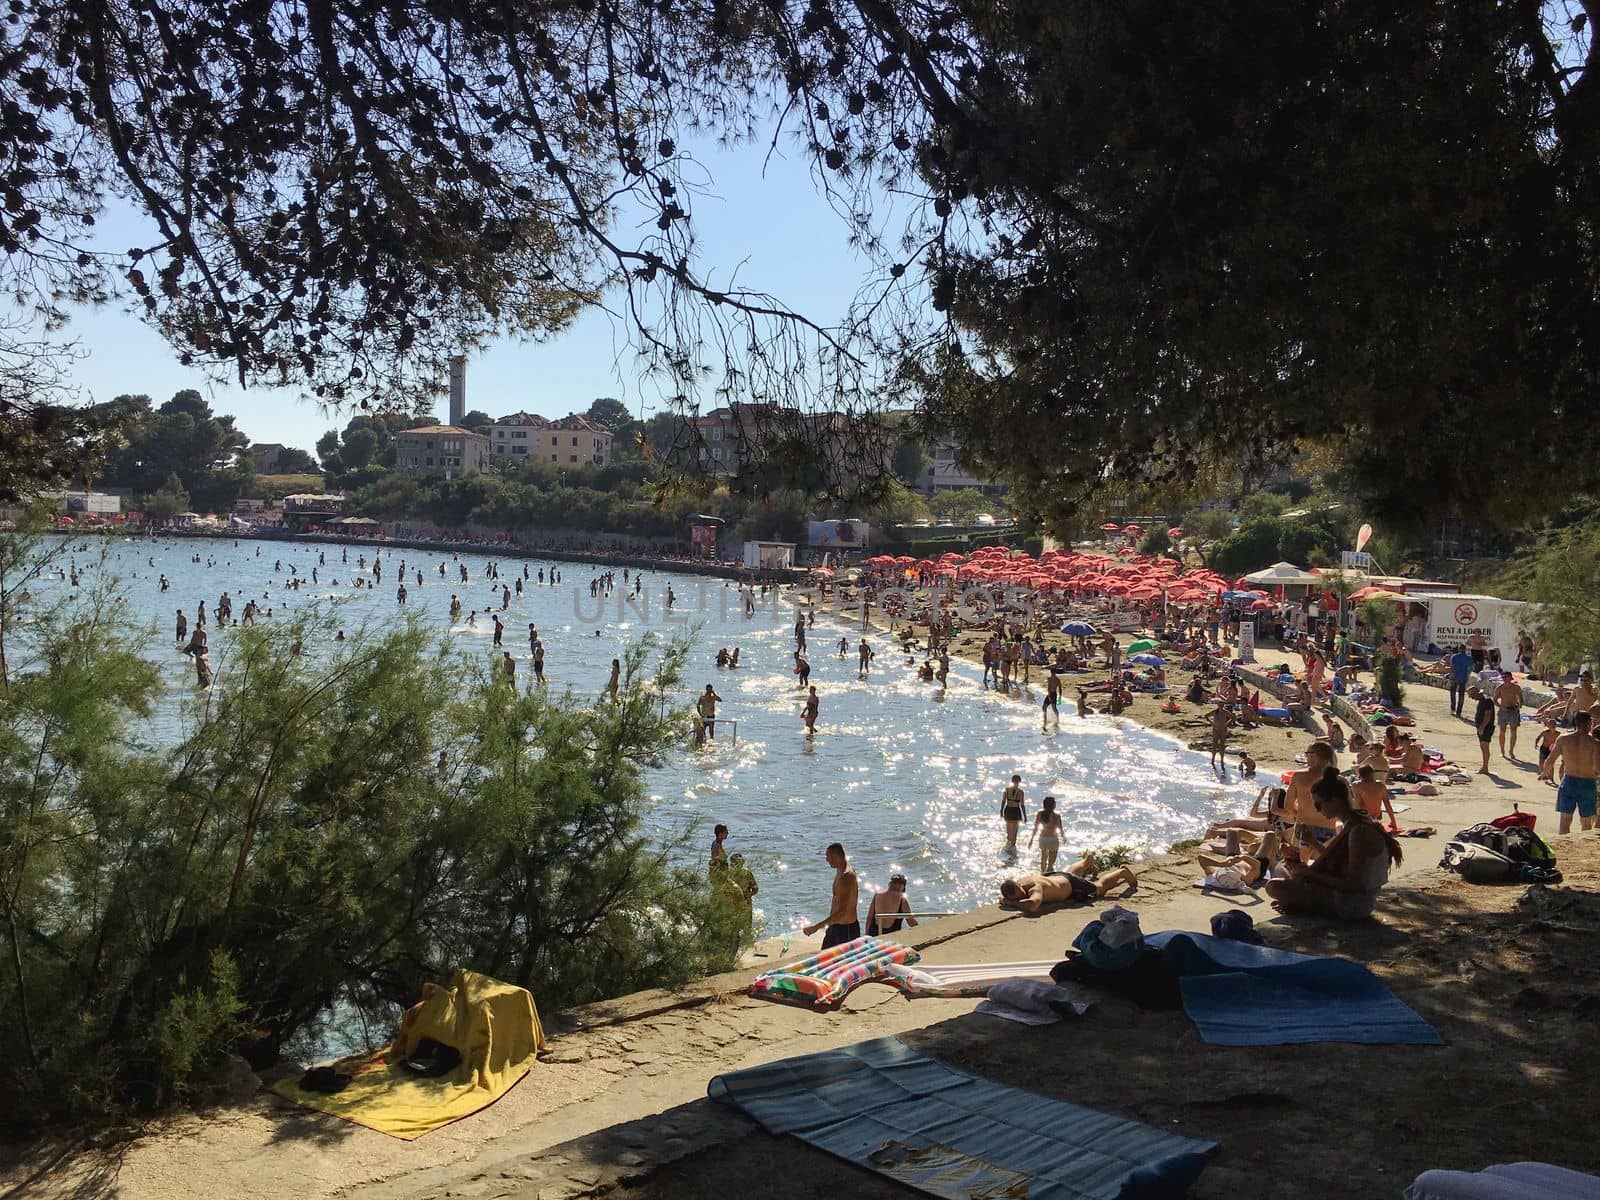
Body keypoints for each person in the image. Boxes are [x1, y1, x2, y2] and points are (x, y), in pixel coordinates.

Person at [1266, 768, 1401, 919]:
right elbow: (1341, 860)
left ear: (1335, 800)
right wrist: (1312, 842)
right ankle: (1300, 901)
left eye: (1319, 804)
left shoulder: (1358, 831)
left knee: (1273, 886)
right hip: (1352, 898)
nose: (1317, 810)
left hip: (1354, 904)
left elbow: (1353, 885)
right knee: (1283, 869)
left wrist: (1310, 874)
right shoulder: (1353, 822)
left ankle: (1302, 903)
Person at [998, 854, 1136, 913]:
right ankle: (1085, 863)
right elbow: (1003, 897)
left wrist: (1013, 903)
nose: (1021, 898)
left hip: (1070, 885)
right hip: (1055, 877)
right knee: (1069, 873)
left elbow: (1033, 905)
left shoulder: (1034, 888)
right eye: (1016, 898)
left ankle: (1122, 872)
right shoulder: (1020, 882)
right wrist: (1009, 900)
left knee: (1100, 889)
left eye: (1020, 895)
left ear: (1018, 886)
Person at [1540, 711, 1600, 833]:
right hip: (1588, 782)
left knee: (1565, 819)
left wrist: (1544, 773)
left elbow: (1550, 759)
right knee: (1586, 821)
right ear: (1590, 723)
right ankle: (1584, 848)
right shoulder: (1594, 743)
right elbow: (1597, 768)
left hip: (1569, 780)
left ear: (1575, 722)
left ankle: (1563, 846)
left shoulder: (1563, 739)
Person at [1285, 740, 1338, 857]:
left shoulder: (1299, 776)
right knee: (1323, 867)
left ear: (1313, 755)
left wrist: (1299, 815)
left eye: (1307, 753)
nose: (1306, 757)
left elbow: (1288, 805)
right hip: (1328, 828)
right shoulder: (1339, 780)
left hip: (1304, 826)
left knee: (1297, 866)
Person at [802, 843, 859, 948]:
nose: (827, 860)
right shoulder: (839, 871)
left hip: (846, 930)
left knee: (842, 963)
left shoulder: (847, 876)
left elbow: (842, 912)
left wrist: (816, 927)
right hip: (835, 926)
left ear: (838, 856)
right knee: (824, 958)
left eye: (829, 857)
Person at [1352, 764, 1399, 828]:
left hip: (1364, 818)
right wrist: (1393, 822)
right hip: (1377, 817)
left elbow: (1358, 804)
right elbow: (1387, 804)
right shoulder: (1380, 785)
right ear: (1372, 773)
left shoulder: (1356, 785)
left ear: (1361, 775)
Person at [1027, 794, 1064, 873]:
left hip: (1043, 838)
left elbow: (1035, 828)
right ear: (1053, 805)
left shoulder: (1040, 814)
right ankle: (1049, 873)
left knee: (1043, 858)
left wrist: (1031, 840)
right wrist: (1063, 837)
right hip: (1053, 839)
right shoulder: (1056, 816)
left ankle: (1042, 873)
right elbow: (1060, 828)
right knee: (1051, 861)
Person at [1494, 673, 1524, 759]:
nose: (1504, 678)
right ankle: (1502, 751)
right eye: (1503, 677)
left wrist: (1519, 704)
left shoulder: (1516, 687)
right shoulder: (1500, 688)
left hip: (1513, 710)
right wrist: (1500, 706)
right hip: (1503, 710)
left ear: (1510, 677)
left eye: (1505, 677)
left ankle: (1511, 751)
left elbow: (1520, 698)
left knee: (1513, 731)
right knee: (1502, 731)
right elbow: (1495, 699)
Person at [1471, 685, 1496, 774]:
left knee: (1485, 747)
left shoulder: (1487, 701)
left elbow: (1488, 716)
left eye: (1472, 696)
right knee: (1483, 747)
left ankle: (1485, 767)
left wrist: (1482, 727)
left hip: (1486, 728)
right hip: (1482, 727)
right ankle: (1484, 767)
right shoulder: (1481, 701)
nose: (1472, 698)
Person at [1001, 774, 1027, 852]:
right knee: (1014, 832)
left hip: (1008, 810)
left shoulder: (1007, 790)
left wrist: (1001, 811)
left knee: (1009, 831)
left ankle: (1008, 849)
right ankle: (1012, 849)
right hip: (1015, 811)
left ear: (1012, 781)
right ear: (1019, 782)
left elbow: (1003, 801)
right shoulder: (1021, 792)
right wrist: (1025, 816)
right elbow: (1022, 805)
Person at [1447, 644, 1474, 717]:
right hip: (1463, 677)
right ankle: (1459, 711)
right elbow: (1471, 668)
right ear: (1465, 649)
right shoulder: (1469, 658)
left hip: (1455, 676)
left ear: (1459, 649)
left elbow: (1452, 667)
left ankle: (1453, 709)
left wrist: (1450, 676)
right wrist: (1468, 674)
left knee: (1453, 693)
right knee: (1461, 694)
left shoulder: (1454, 657)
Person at [1208, 701, 1235, 769]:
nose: (1220, 706)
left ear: (1223, 705)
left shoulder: (1226, 712)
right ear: (1217, 705)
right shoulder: (1214, 712)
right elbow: (1206, 716)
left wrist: (1226, 724)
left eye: (1222, 705)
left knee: (1222, 744)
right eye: (1219, 705)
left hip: (1223, 729)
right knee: (1214, 744)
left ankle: (1222, 760)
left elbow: (1233, 718)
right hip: (1215, 729)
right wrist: (1211, 722)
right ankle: (1213, 759)